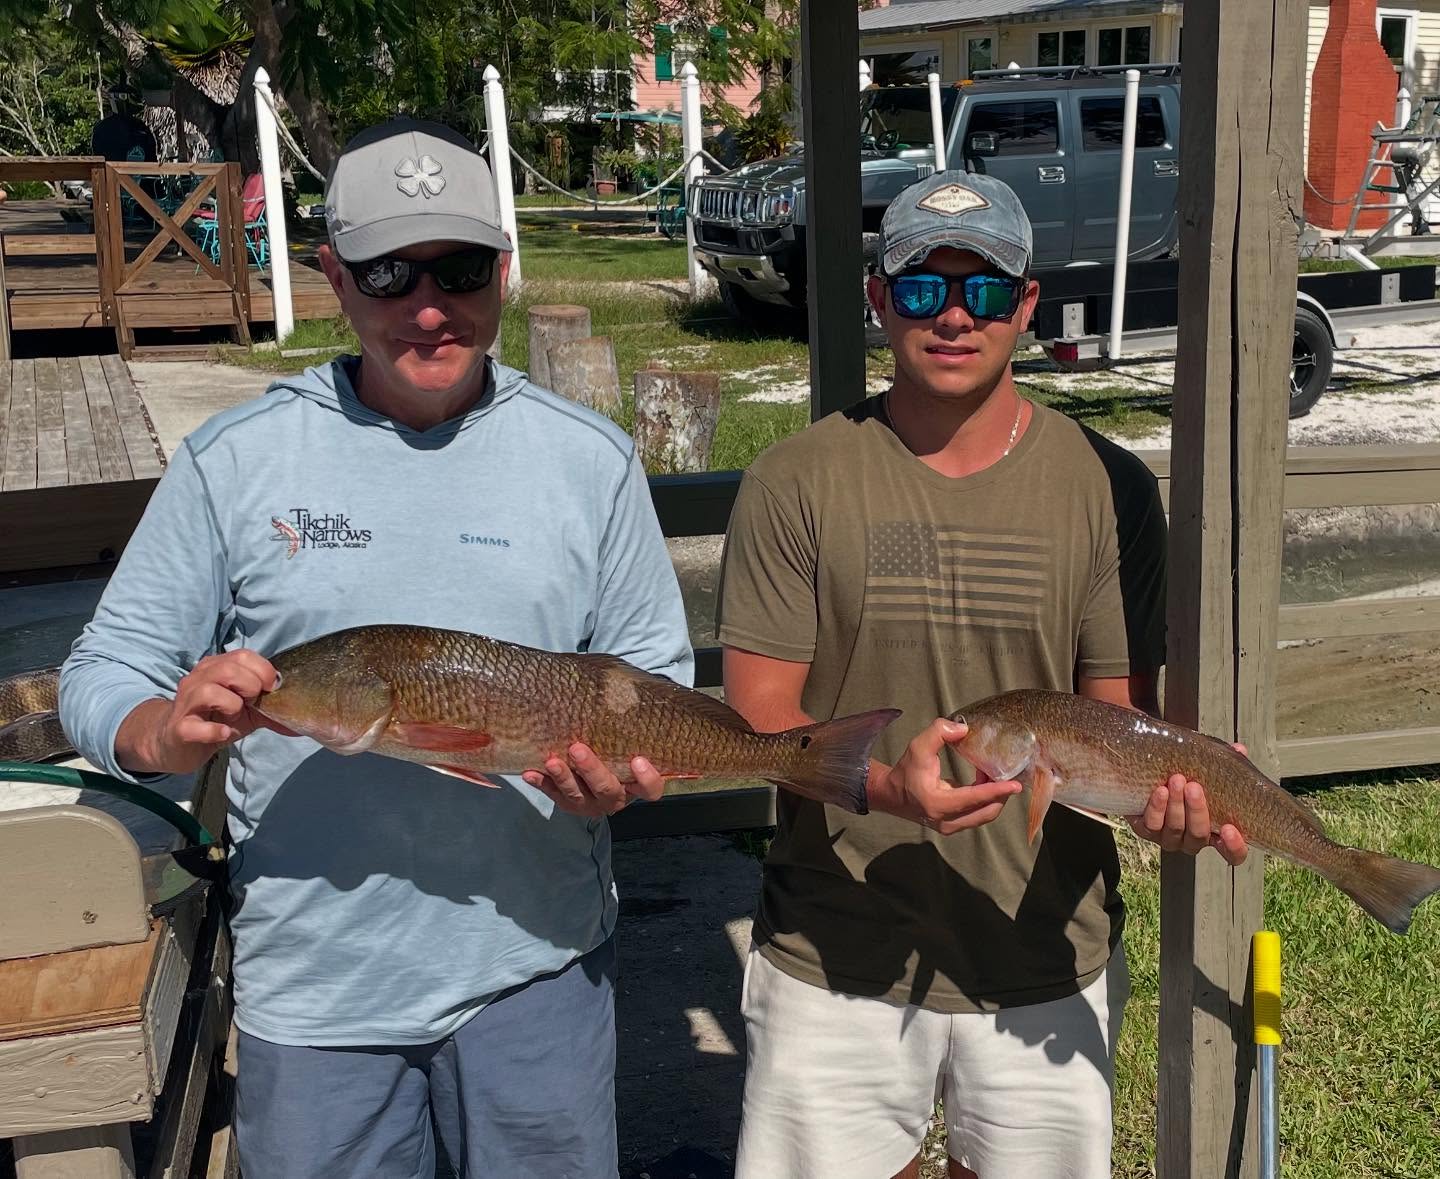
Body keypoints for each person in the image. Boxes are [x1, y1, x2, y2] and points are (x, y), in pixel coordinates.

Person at [60, 117, 691, 1179]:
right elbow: (102, 669)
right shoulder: (238, 461)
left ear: (504, 271)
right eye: (389, 272)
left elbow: (651, 682)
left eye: (460, 269)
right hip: (316, 993)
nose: (429, 306)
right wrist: (159, 733)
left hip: (535, 967)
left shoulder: (590, 461)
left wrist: (621, 781)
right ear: (334, 279)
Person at [716, 170, 1249, 1179]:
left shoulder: (1109, 486)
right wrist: (883, 788)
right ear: (879, 298)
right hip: (839, 947)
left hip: (1043, 946)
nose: (953, 315)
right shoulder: (798, 479)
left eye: (985, 290)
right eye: (922, 287)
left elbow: (1115, 724)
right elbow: (761, 721)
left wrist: (1167, 801)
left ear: (1028, 305)